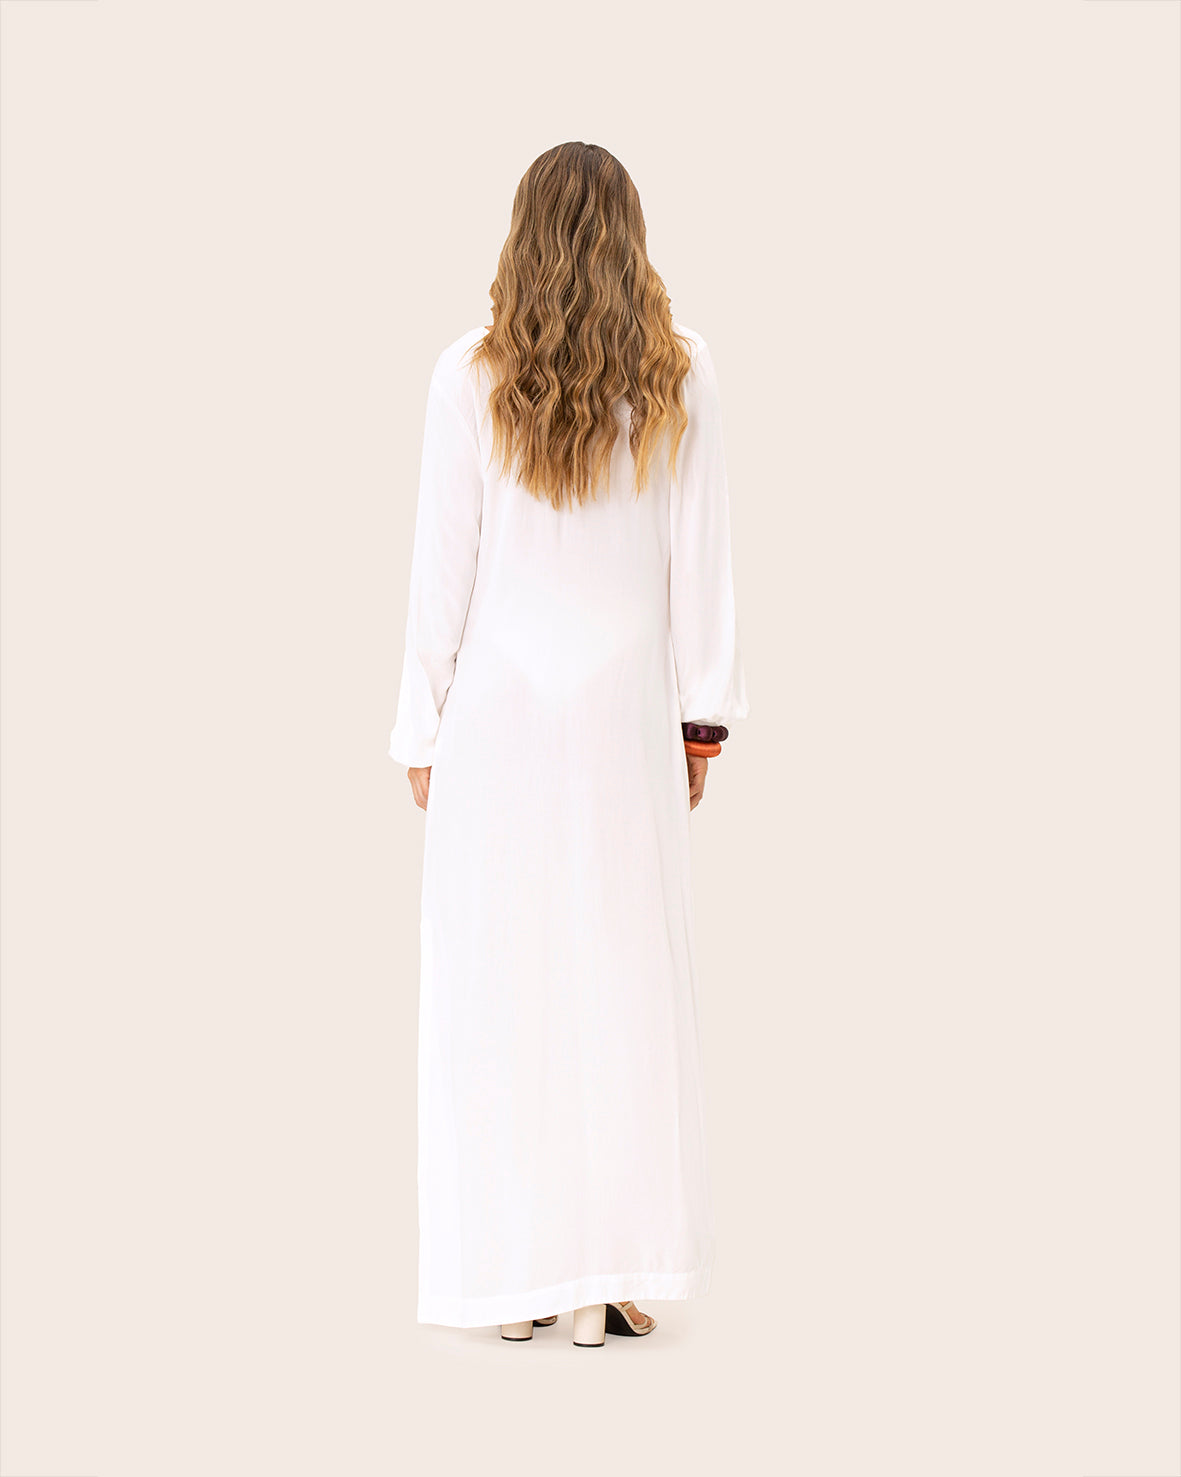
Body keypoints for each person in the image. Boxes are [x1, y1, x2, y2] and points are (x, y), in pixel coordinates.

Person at [387, 141, 749, 1348]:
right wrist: (700, 721)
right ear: (629, 237)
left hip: (496, 723)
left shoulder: (468, 375)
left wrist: (420, 722)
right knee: (620, 991)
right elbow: (698, 566)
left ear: (522, 234)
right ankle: (606, 1273)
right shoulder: (680, 373)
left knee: (504, 992)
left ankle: (521, 1278)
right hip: (621, 727)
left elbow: (441, 571)